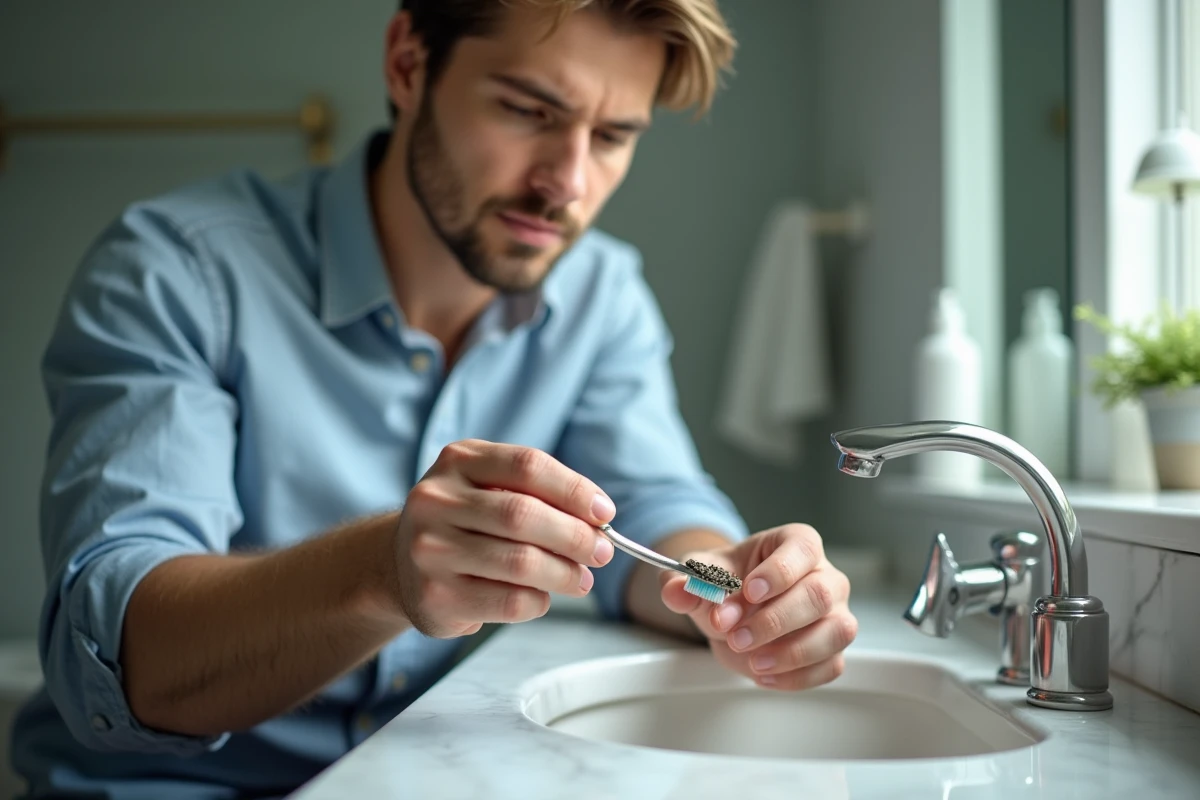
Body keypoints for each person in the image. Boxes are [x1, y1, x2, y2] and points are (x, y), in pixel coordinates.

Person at [11, 1, 857, 797]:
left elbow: (654, 503)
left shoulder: (603, 294)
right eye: (529, 110)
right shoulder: (174, 273)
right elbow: (123, 658)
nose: (567, 182)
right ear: (409, 63)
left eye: (611, 136)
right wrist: (382, 570)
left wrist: (735, 586)